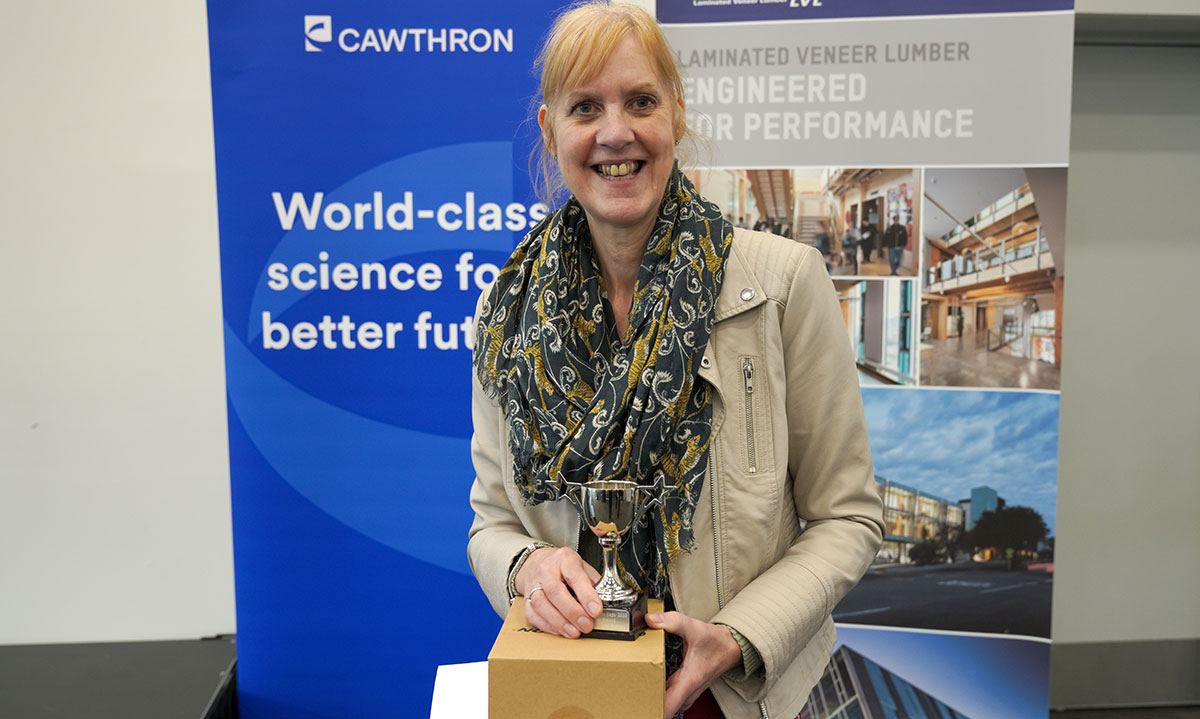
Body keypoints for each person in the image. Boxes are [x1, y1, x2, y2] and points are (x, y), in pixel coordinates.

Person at [467, 5, 883, 718]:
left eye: (640, 101)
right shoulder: (504, 316)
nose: (615, 133)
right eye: (585, 107)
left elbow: (848, 518)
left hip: (743, 693)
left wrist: (735, 635)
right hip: (578, 695)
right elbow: (491, 523)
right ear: (550, 130)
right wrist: (526, 567)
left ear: (678, 114)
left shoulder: (781, 286)